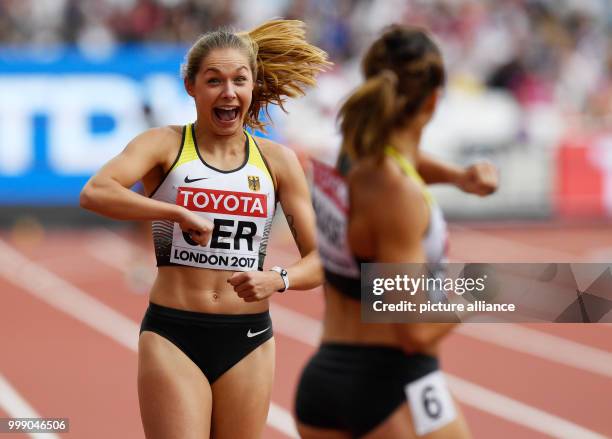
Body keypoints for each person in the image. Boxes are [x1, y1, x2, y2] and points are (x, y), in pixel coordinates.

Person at [80, 19, 330, 439]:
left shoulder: (277, 161)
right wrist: (176, 213)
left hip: (249, 338)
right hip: (174, 333)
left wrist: (277, 279)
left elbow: (322, 259)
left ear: (252, 87)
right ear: (191, 86)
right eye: (213, 80)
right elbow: (96, 192)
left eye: (239, 80)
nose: (228, 92)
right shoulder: (165, 144)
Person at [295, 25, 497, 438]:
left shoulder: (354, 154)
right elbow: (415, 329)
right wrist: (485, 290)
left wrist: (458, 177)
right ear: (433, 101)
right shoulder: (398, 194)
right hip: (390, 384)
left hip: (325, 381)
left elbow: (402, 158)